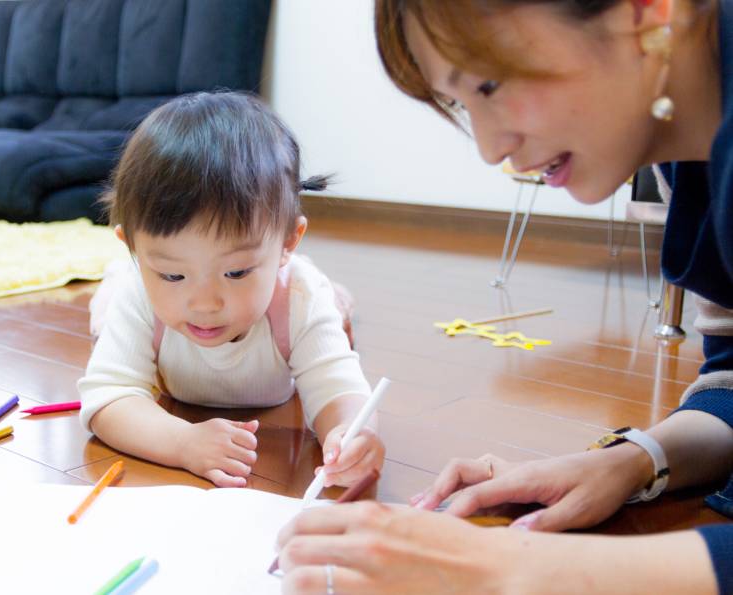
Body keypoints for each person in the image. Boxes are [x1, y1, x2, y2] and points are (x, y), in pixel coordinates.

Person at [275, 0, 733, 592]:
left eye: (489, 84)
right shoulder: (685, 148)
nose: (490, 149)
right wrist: (631, 461)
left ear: (645, 10)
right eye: (463, 105)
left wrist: (511, 570)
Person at [78, 92, 385, 490]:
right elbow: (107, 398)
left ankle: (336, 297)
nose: (205, 304)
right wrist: (183, 442)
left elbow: (340, 390)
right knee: (107, 313)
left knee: (326, 306)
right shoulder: (140, 291)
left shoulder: (298, 299)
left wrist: (351, 434)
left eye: (236, 272)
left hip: (296, 294)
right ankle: (116, 276)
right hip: (133, 294)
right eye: (173, 275)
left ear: (289, 242)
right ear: (135, 248)